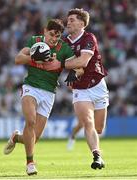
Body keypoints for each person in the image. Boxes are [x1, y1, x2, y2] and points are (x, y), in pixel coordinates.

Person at [3, 19, 76, 176]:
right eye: (51, 34)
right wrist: (36, 57)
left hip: (49, 92)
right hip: (31, 87)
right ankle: (30, 163)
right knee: (30, 121)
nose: (54, 38)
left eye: (57, 36)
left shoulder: (64, 48)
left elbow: (77, 65)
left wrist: (69, 70)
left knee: (33, 138)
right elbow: (18, 59)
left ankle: (16, 138)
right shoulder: (34, 41)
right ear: (44, 31)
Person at [43, 8, 109, 170]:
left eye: (72, 20)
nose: (68, 22)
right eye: (68, 19)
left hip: (98, 85)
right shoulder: (64, 42)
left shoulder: (88, 38)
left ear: (82, 23)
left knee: (99, 128)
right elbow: (58, 59)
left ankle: (74, 132)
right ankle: (97, 156)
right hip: (80, 89)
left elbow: (83, 61)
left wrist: (63, 65)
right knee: (88, 123)